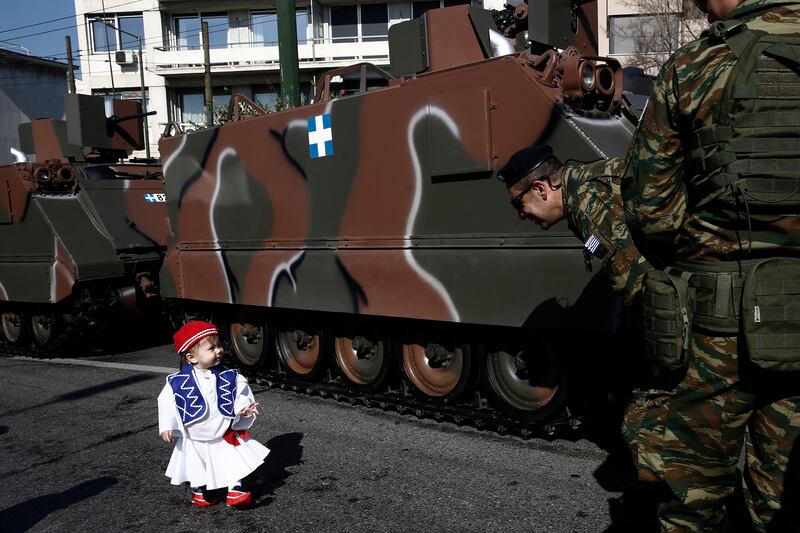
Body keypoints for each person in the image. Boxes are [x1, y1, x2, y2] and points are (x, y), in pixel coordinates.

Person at [569, 0, 800, 529]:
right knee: (787, 497)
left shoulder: (697, 66)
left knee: (694, 500)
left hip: (722, 333)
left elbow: (651, 212)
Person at [498, 144, 650, 306]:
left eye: (518, 204)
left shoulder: (585, 202)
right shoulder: (581, 184)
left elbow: (639, 287)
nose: (521, 215)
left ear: (540, 189)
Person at [158, 320, 270, 508]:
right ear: (192, 358)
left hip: (221, 432)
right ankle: (201, 491)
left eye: (219, 345)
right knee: (197, 464)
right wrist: (166, 426)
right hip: (195, 436)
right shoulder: (177, 382)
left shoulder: (230, 376)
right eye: (211, 348)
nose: (219, 350)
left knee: (233, 459)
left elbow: (239, 394)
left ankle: (236, 489)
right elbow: (167, 401)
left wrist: (243, 409)